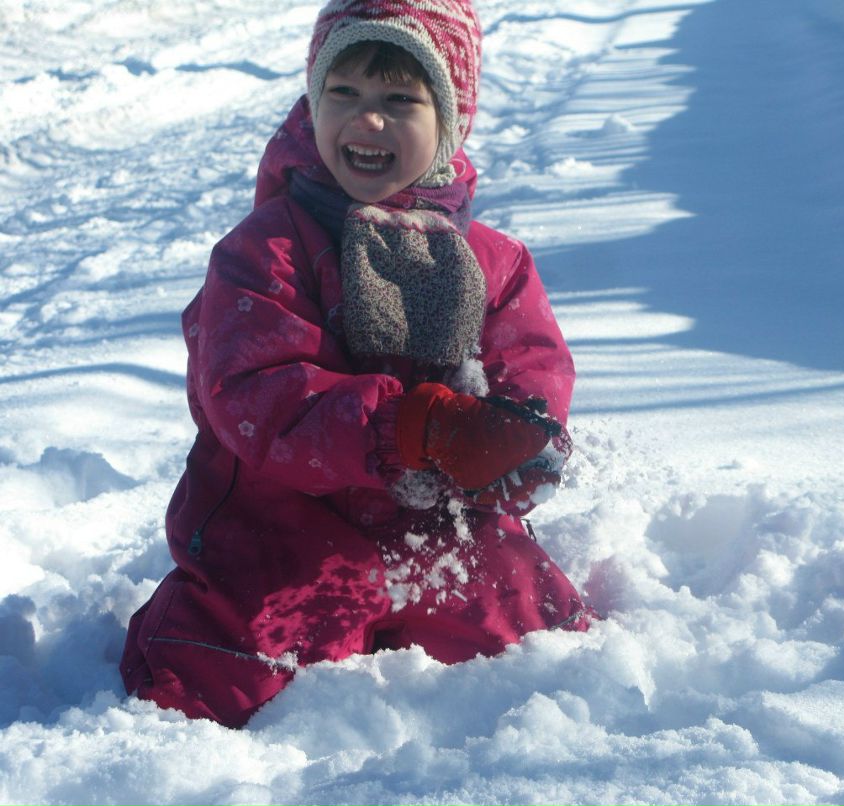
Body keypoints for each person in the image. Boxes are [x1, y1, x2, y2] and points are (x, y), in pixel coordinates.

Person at [120, 0, 590, 729]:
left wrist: (517, 438)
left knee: (543, 640)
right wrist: (409, 426)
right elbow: (257, 392)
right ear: (314, 103)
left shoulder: (493, 262)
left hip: (440, 524)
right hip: (284, 523)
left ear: (450, 120)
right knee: (217, 676)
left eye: (400, 100)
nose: (367, 120)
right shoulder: (265, 252)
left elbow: (531, 364)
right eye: (344, 93)